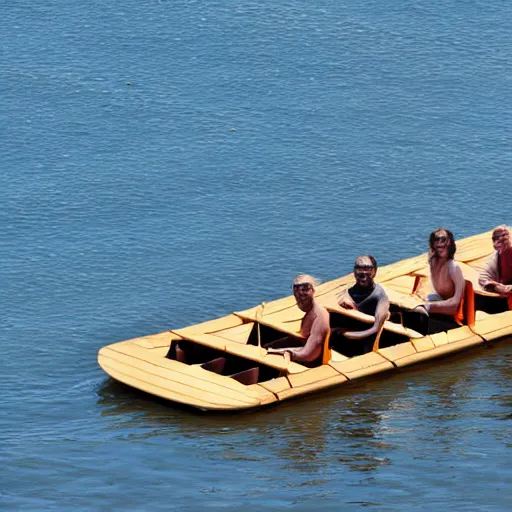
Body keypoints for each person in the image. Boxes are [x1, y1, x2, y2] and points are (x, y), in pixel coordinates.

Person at [266, 274, 330, 365]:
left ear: (313, 290)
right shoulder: (310, 312)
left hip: (311, 363)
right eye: (296, 290)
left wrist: (287, 353)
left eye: (305, 289)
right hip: (303, 349)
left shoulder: (320, 316)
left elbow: (310, 354)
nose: (301, 295)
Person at [336, 255, 390, 353]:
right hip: (349, 331)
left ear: (374, 271)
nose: (363, 273)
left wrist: (346, 334)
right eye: (359, 268)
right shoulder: (348, 292)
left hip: (366, 340)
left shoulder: (380, 296)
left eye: (368, 269)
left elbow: (375, 329)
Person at [415, 228, 465, 322]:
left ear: (450, 242)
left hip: (452, 311)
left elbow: (455, 305)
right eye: (436, 239)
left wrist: (428, 307)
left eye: (443, 239)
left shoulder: (453, 268)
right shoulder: (433, 260)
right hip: (440, 300)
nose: (440, 242)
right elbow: (431, 253)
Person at [478, 225, 512, 296]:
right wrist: (497, 287)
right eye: (496, 238)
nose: (500, 239)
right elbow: (482, 278)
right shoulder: (493, 260)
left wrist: (506, 288)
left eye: (504, 235)